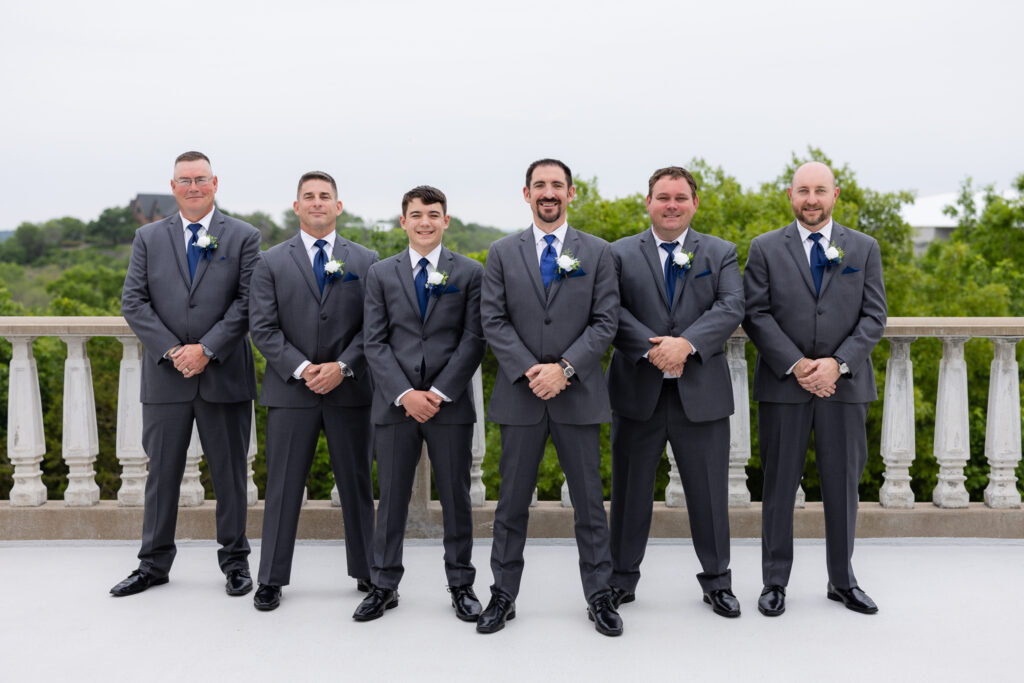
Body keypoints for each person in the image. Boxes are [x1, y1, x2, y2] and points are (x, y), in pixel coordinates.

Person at [478, 158, 622, 636]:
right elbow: (493, 320)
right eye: (539, 185)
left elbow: (606, 322)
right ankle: (502, 595)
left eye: (556, 185)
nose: (548, 193)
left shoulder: (598, 253)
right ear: (526, 194)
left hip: (577, 395)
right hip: (521, 396)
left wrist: (563, 370)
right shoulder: (500, 252)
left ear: (571, 193)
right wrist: (530, 371)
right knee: (510, 505)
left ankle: (600, 596)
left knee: (589, 505)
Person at [742, 161, 887, 616]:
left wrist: (837, 364)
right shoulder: (764, 248)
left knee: (842, 485)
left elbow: (873, 317)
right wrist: (798, 363)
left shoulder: (863, 248)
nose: (811, 199)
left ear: (835, 194)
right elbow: (756, 314)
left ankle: (842, 581)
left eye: (820, 190)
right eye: (803, 190)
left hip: (844, 389)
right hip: (785, 385)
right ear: (790, 195)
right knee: (779, 486)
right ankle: (774, 582)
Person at [113, 151, 260, 598]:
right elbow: (133, 302)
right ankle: (153, 564)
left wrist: (208, 349)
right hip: (166, 377)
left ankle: (235, 563)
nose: (192, 187)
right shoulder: (147, 237)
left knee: (231, 475)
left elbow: (249, 301)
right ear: (173, 186)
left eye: (200, 179)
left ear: (215, 182)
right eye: (184, 180)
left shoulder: (244, 236)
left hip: (225, 375)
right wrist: (176, 351)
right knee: (161, 475)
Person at [606, 166, 744, 617]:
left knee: (709, 495)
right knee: (629, 494)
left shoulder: (720, 252)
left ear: (694, 203)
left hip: (700, 394)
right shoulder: (619, 253)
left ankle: (718, 582)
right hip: (637, 392)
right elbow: (610, 311)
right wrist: (654, 352)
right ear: (648, 202)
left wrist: (686, 344)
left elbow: (730, 306)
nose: (671, 205)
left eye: (680, 198)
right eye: (663, 197)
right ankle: (621, 581)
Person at [353, 185, 486, 622]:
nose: (425, 222)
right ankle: (384, 585)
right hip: (395, 404)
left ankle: (461, 584)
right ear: (403, 222)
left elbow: (473, 339)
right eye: (416, 214)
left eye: (433, 214)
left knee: (456, 497)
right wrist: (405, 393)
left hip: (450, 404)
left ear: (446, 220)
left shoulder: (468, 272)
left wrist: (440, 392)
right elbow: (374, 340)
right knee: (390, 498)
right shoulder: (381, 273)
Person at [247, 171, 377, 611]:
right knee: (282, 487)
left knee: (356, 483)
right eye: (309, 196)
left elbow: (373, 328)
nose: (317, 202)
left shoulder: (366, 259)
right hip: (291, 392)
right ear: (296, 206)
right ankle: (270, 579)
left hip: (350, 390)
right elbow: (262, 328)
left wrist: (343, 366)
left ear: (338, 207)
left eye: (325, 196)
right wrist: (303, 369)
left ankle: (369, 571)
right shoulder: (270, 262)